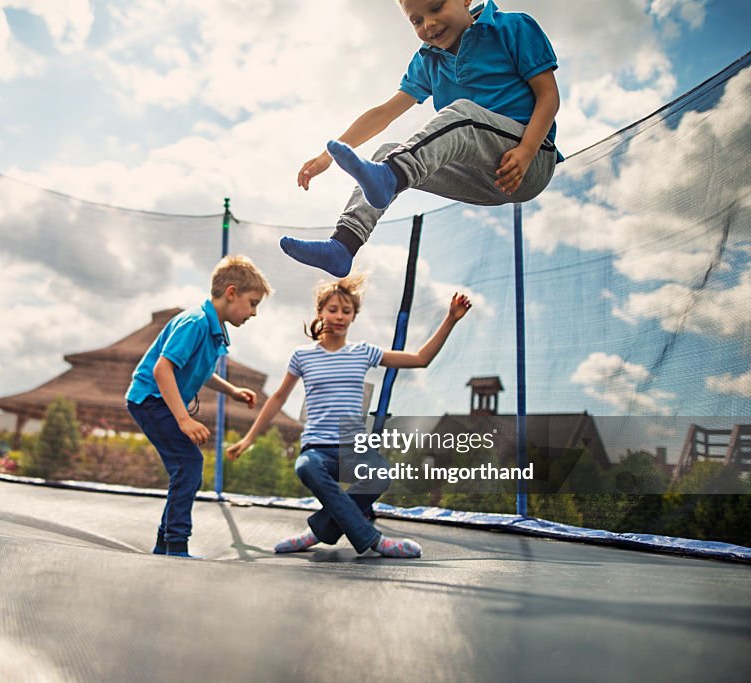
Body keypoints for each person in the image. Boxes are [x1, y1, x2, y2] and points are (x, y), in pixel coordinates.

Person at [281, 0, 562, 277]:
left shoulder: (511, 27)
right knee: (387, 153)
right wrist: (325, 157)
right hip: (481, 179)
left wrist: (527, 150)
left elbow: (548, 95)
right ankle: (342, 246)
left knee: (461, 115)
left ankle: (390, 176)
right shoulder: (428, 60)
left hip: (531, 160)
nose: (429, 24)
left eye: (437, 7)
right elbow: (384, 113)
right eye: (416, 20)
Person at [226, 275, 471, 557]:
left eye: (346, 311)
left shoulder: (362, 353)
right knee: (306, 467)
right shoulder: (302, 356)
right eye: (333, 310)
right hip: (317, 448)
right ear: (320, 312)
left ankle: (318, 531)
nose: (339, 316)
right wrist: (248, 439)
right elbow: (278, 398)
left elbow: (420, 359)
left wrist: (451, 319)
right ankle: (375, 541)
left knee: (380, 474)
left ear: (354, 316)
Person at [126, 255, 272, 558]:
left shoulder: (212, 328)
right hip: (150, 400)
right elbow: (162, 370)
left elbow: (201, 370)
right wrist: (183, 420)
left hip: (158, 402)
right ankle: (175, 545)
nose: (254, 313)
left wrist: (231, 390)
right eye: (253, 303)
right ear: (231, 293)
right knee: (189, 465)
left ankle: (165, 543)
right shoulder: (194, 323)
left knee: (186, 467)